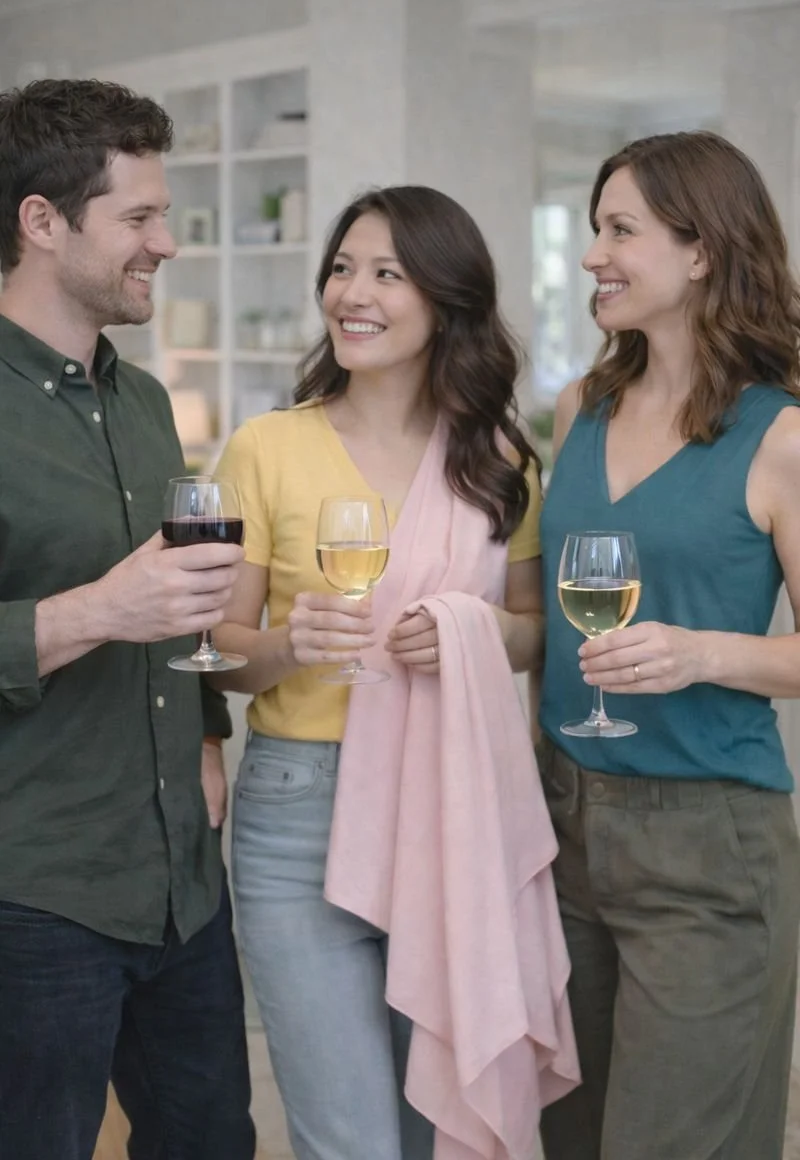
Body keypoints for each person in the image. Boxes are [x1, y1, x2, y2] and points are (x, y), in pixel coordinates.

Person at [211, 185, 554, 1160]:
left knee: (438, 1121)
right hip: (299, 818)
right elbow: (220, 654)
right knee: (351, 1140)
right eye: (341, 268)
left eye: (385, 274)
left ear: (444, 300)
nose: (350, 293)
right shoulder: (266, 447)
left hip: (451, 809)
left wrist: (472, 629)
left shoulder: (495, 462)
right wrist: (287, 642)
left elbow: (531, 632)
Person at [0, 79, 255, 1160]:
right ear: (42, 222)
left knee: (209, 1143)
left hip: (181, 881)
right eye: (138, 218)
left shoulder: (146, 400)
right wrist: (100, 609)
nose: (167, 243)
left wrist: (205, 729)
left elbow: (176, 599)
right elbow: (126, 601)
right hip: (36, 888)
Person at [536, 130, 800, 1160]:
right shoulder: (579, 410)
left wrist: (704, 654)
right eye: (592, 228)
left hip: (706, 846)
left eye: (618, 230)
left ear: (699, 251)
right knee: (567, 1132)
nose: (592, 253)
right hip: (560, 827)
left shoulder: (778, 436)